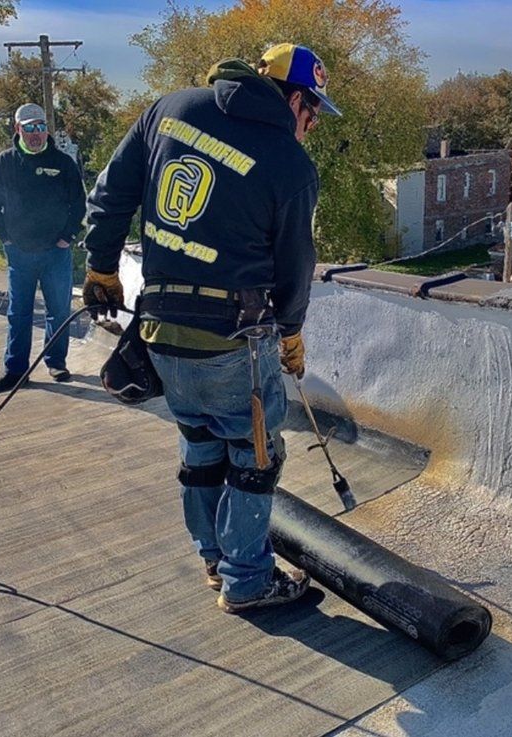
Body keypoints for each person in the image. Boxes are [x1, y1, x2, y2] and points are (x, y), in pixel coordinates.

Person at [82, 43, 340, 613]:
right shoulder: (290, 164)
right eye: (314, 109)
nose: (314, 123)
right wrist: (291, 331)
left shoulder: (168, 109)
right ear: (293, 97)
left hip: (160, 330)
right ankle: (247, 579)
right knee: (255, 457)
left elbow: (110, 194)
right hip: (235, 340)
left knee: (200, 442)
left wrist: (102, 266)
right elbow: (295, 263)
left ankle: (212, 558)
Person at [0, 103, 87, 393]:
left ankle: (56, 362)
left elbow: (79, 203)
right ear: (18, 130)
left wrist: (68, 236)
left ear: (46, 130)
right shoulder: (3, 163)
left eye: (40, 127)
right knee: (19, 313)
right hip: (20, 254)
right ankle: (15, 371)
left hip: (56, 252)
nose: (35, 134)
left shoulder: (63, 163)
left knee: (59, 311)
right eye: (29, 128)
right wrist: (6, 238)